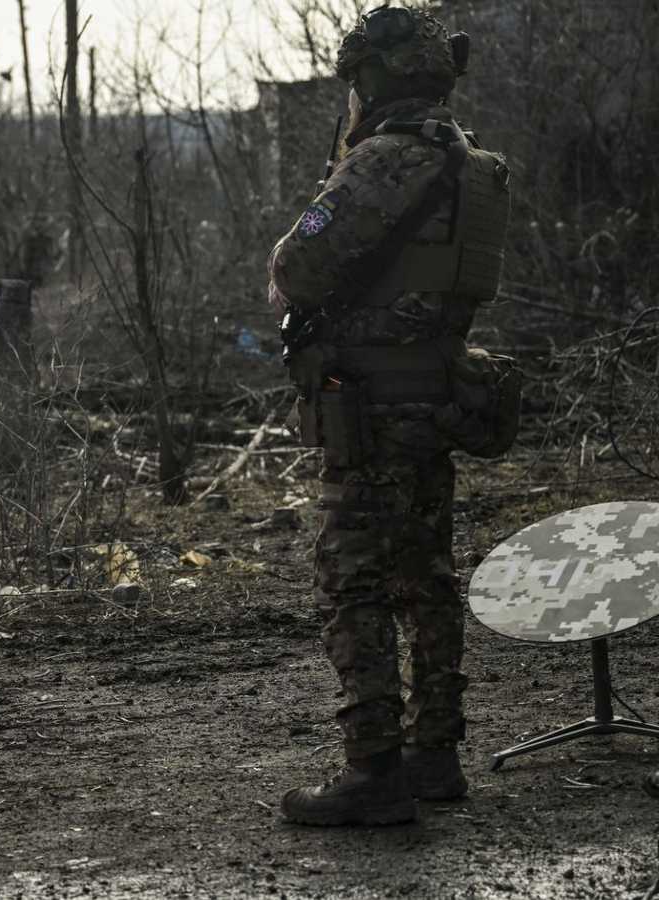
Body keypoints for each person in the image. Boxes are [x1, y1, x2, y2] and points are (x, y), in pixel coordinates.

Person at [267, 5, 513, 825]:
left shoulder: (381, 161)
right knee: (427, 576)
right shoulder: (472, 165)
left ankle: (373, 771)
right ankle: (435, 752)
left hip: (369, 406)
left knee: (353, 583)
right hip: (434, 395)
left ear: (373, 80)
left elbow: (297, 268)